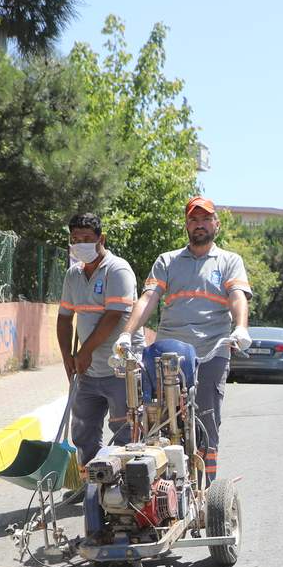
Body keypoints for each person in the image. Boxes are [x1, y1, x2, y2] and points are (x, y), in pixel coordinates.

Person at [116, 196, 252, 477]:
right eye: (193, 219)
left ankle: (206, 486)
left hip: (211, 351)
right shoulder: (167, 261)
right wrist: (127, 334)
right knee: (158, 417)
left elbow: (238, 296)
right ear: (186, 226)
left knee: (205, 418)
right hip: (169, 353)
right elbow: (149, 298)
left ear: (216, 224)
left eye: (205, 219)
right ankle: (165, 482)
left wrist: (241, 328)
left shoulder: (229, 261)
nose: (199, 225)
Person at [58, 212, 138, 480]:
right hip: (88, 372)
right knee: (83, 429)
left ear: (101, 239)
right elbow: (64, 318)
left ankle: (125, 484)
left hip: (120, 370)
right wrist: (68, 357)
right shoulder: (73, 275)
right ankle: (91, 482)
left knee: (125, 430)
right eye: (74, 239)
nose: (80, 244)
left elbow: (113, 316)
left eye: (86, 239)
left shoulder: (118, 270)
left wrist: (84, 351)